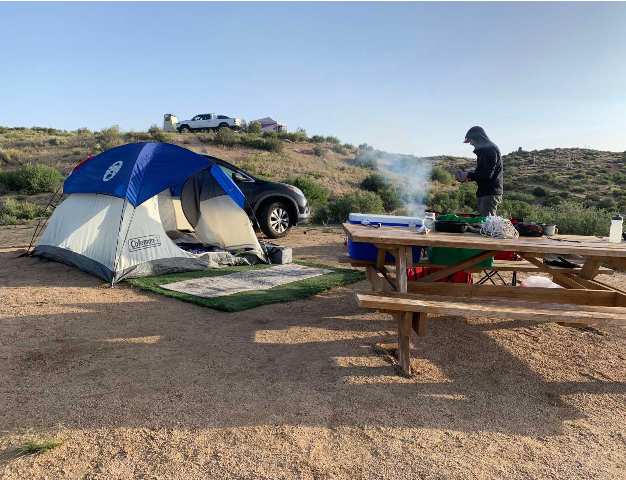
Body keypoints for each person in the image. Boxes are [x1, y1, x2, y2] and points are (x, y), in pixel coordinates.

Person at [460, 126, 503, 217]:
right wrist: (467, 177)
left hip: (489, 193)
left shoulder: (490, 150)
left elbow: (487, 174)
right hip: (485, 192)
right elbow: (483, 172)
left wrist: (469, 175)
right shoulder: (485, 150)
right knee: (484, 222)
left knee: (487, 223)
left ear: (478, 138)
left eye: (471, 140)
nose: (471, 143)